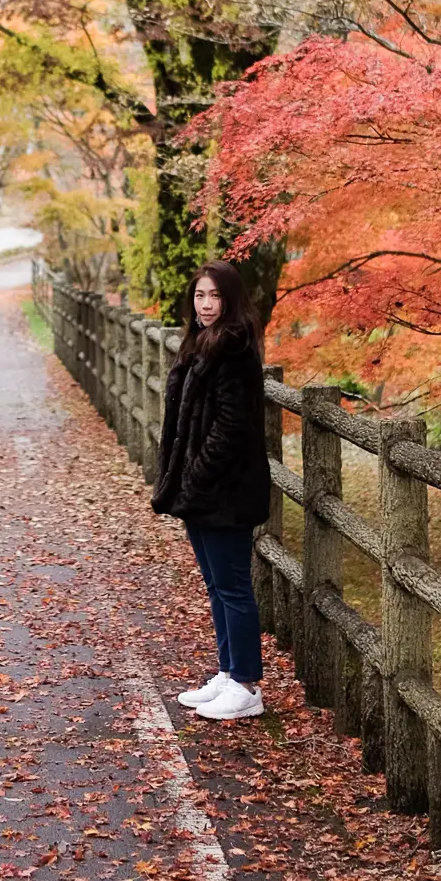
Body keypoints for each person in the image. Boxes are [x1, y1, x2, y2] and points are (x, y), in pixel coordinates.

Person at [151, 259, 270, 721]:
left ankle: (247, 685)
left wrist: (194, 479)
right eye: (200, 296)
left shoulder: (235, 350)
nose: (205, 305)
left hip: (225, 491)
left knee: (234, 587)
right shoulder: (201, 343)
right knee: (217, 586)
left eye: (214, 296)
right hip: (200, 491)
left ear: (231, 300)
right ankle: (229, 671)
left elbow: (230, 429)